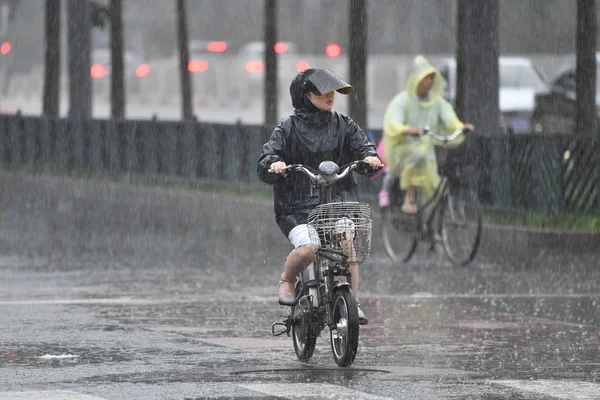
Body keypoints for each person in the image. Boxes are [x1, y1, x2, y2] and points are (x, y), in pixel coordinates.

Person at [257, 68, 382, 325]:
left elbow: (363, 146)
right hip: (297, 208)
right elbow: (268, 158)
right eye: (322, 91)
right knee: (310, 250)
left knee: (347, 244)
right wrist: (274, 164)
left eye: (332, 91)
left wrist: (370, 157)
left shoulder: (343, 124)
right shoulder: (287, 129)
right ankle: (287, 279)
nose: (330, 96)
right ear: (305, 94)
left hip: (338, 204)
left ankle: (352, 301)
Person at [378, 55, 474, 251]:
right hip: (401, 152)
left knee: (438, 191)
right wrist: (406, 129)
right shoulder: (403, 101)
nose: (428, 83)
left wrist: (460, 127)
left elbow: (449, 119)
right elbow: (392, 121)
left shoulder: (436, 103)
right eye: (425, 79)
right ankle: (409, 197)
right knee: (417, 156)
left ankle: (435, 234)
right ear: (416, 80)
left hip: (426, 154)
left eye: (431, 79)